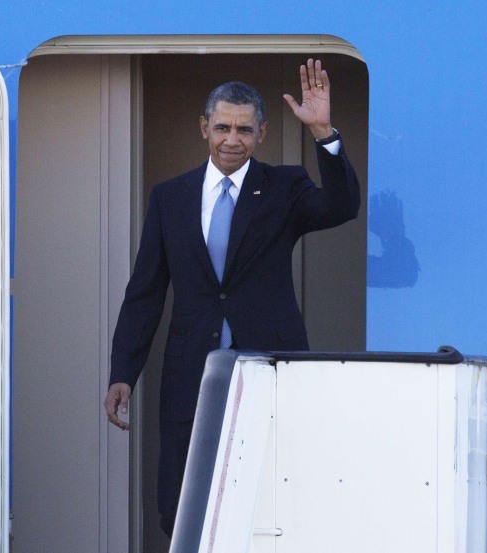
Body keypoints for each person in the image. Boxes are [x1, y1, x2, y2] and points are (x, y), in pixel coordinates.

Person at [104, 59, 360, 537]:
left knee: (270, 492)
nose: (231, 139)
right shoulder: (170, 197)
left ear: (261, 132)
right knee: (182, 506)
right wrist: (123, 371)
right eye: (222, 127)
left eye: (244, 129)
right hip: (192, 373)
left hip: (270, 365)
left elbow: (342, 206)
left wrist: (324, 133)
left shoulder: (285, 187)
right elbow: (145, 292)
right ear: (204, 128)